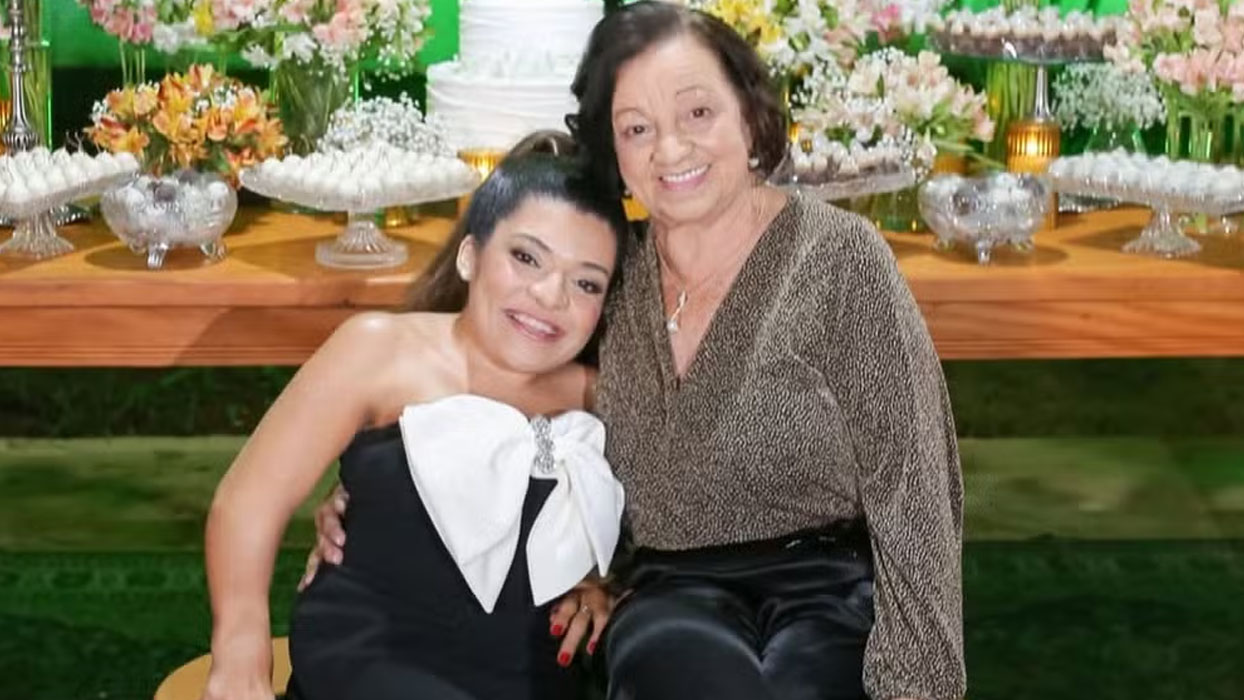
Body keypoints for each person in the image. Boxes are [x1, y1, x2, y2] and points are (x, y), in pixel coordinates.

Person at [310, 3, 966, 699]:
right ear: (614, 153)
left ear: (750, 114)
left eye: (697, 113)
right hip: (666, 594)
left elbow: (916, 491)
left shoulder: (840, 258)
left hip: (828, 590)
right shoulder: (603, 277)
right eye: (637, 128)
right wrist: (371, 489)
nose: (671, 150)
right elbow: (490, 375)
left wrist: (920, 687)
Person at [201, 134, 629, 700]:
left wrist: (609, 586)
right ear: (470, 255)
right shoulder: (380, 350)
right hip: (367, 664)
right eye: (527, 257)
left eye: (586, 282)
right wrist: (240, 651)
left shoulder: (607, 396)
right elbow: (249, 500)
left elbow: (667, 538)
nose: (552, 295)